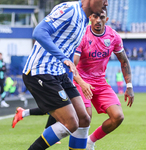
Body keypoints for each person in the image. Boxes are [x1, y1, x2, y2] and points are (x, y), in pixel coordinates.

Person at [22, 0, 108, 150]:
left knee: (83, 119)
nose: (106, 3)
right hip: (41, 71)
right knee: (71, 122)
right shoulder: (69, 9)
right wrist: (63, 58)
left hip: (59, 74)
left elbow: (68, 53)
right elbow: (39, 32)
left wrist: (76, 80)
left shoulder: (84, 21)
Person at [73, 10, 134, 150]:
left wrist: (129, 86)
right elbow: (72, 65)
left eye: (101, 17)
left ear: (106, 19)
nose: (98, 20)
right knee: (85, 117)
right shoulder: (82, 35)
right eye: (95, 16)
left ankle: (90, 141)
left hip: (100, 82)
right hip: (80, 81)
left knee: (118, 117)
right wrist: (82, 83)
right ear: (90, 18)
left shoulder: (113, 36)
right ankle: (78, 147)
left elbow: (124, 61)